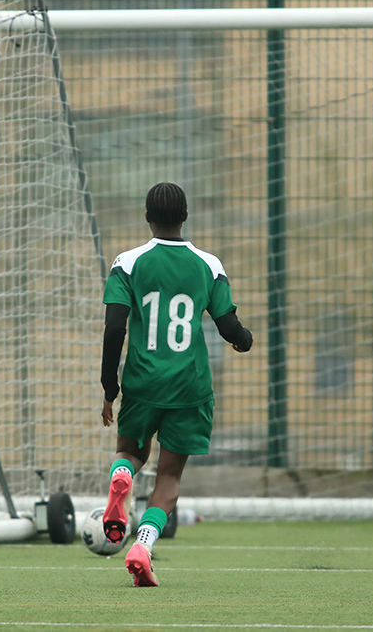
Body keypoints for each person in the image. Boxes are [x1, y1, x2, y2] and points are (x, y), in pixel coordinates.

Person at [99, 182, 253, 587]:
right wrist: (244, 340)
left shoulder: (128, 262)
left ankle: (122, 477)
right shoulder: (208, 264)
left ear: (146, 217)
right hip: (190, 386)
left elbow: (115, 325)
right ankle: (143, 546)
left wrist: (108, 386)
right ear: (185, 216)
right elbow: (227, 325)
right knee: (169, 478)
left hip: (142, 381)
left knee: (130, 453)